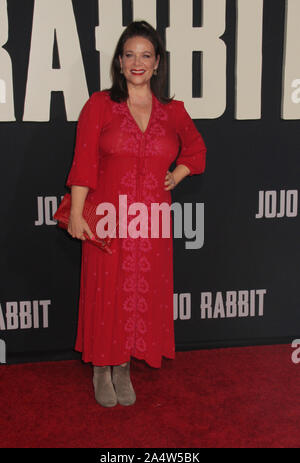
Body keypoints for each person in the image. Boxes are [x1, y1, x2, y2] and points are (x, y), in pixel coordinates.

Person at [65, 20, 207, 408]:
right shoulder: (100, 105)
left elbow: (196, 152)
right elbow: (83, 164)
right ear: (120, 61)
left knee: (137, 295)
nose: (138, 62)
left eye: (146, 55)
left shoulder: (172, 112)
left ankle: (123, 366)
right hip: (108, 219)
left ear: (157, 62)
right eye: (130, 55)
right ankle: (101, 368)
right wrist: (77, 214)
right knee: (105, 294)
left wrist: (176, 175)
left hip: (152, 225)